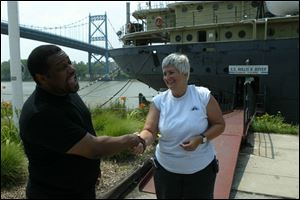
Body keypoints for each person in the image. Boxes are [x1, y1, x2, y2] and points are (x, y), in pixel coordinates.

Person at [19, 45, 143, 199]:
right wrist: (132, 139)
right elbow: (94, 148)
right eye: (62, 67)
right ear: (42, 78)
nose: (71, 69)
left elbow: (84, 130)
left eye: (69, 62)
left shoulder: (65, 90)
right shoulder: (41, 114)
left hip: (80, 190)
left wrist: (92, 171)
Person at [133, 53, 225, 199]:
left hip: (201, 171)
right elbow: (149, 130)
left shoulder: (203, 95)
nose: (167, 77)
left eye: (171, 72)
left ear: (185, 73)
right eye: (164, 73)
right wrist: (142, 141)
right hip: (166, 171)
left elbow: (219, 124)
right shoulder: (159, 101)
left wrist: (201, 139)